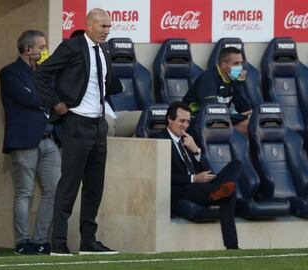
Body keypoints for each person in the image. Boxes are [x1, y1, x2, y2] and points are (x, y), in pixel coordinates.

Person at [34, 9, 122, 255]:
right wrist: (55, 102)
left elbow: (106, 81)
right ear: (89, 25)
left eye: (109, 26)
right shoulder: (72, 47)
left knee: (95, 186)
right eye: (103, 26)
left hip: (98, 123)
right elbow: (42, 74)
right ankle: (58, 242)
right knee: (69, 184)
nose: (107, 30)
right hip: (76, 122)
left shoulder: (105, 50)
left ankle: (88, 241)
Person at [0, 30, 61, 255]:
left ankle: (40, 240)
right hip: (24, 140)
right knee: (25, 192)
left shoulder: (46, 73)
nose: (45, 51)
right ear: (28, 50)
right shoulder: (9, 73)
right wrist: (49, 99)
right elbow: (29, 98)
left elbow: (54, 95)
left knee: (54, 189)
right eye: (41, 47)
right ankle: (23, 241)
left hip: (48, 140)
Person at [155, 101, 242, 249]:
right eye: (181, 121)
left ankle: (219, 190)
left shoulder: (190, 138)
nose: (185, 125)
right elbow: (162, 174)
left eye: (188, 121)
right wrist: (193, 178)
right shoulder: (160, 140)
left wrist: (196, 150)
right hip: (184, 188)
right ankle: (232, 246)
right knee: (230, 195)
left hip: (202, 183)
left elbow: (208, 170)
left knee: (237, 164)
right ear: (170, 119)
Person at [69, 29, 141, 137]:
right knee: (107, 124)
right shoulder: (69, 69)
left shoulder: (98, 64)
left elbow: (117, 88)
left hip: (111, 114)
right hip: (90, 116)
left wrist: (105, 66)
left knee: (145, 118)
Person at [183, 47, 252, 135]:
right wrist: (236, 117)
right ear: (223, 65)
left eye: (241, 63)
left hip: (220, 119)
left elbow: (245, 109)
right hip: (196, 118)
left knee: (251, 125)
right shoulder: (208, 77)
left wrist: (239, 84)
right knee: (223, 124)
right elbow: (212, 109)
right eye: (236, 63)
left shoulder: (234, 79)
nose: (240, 67)